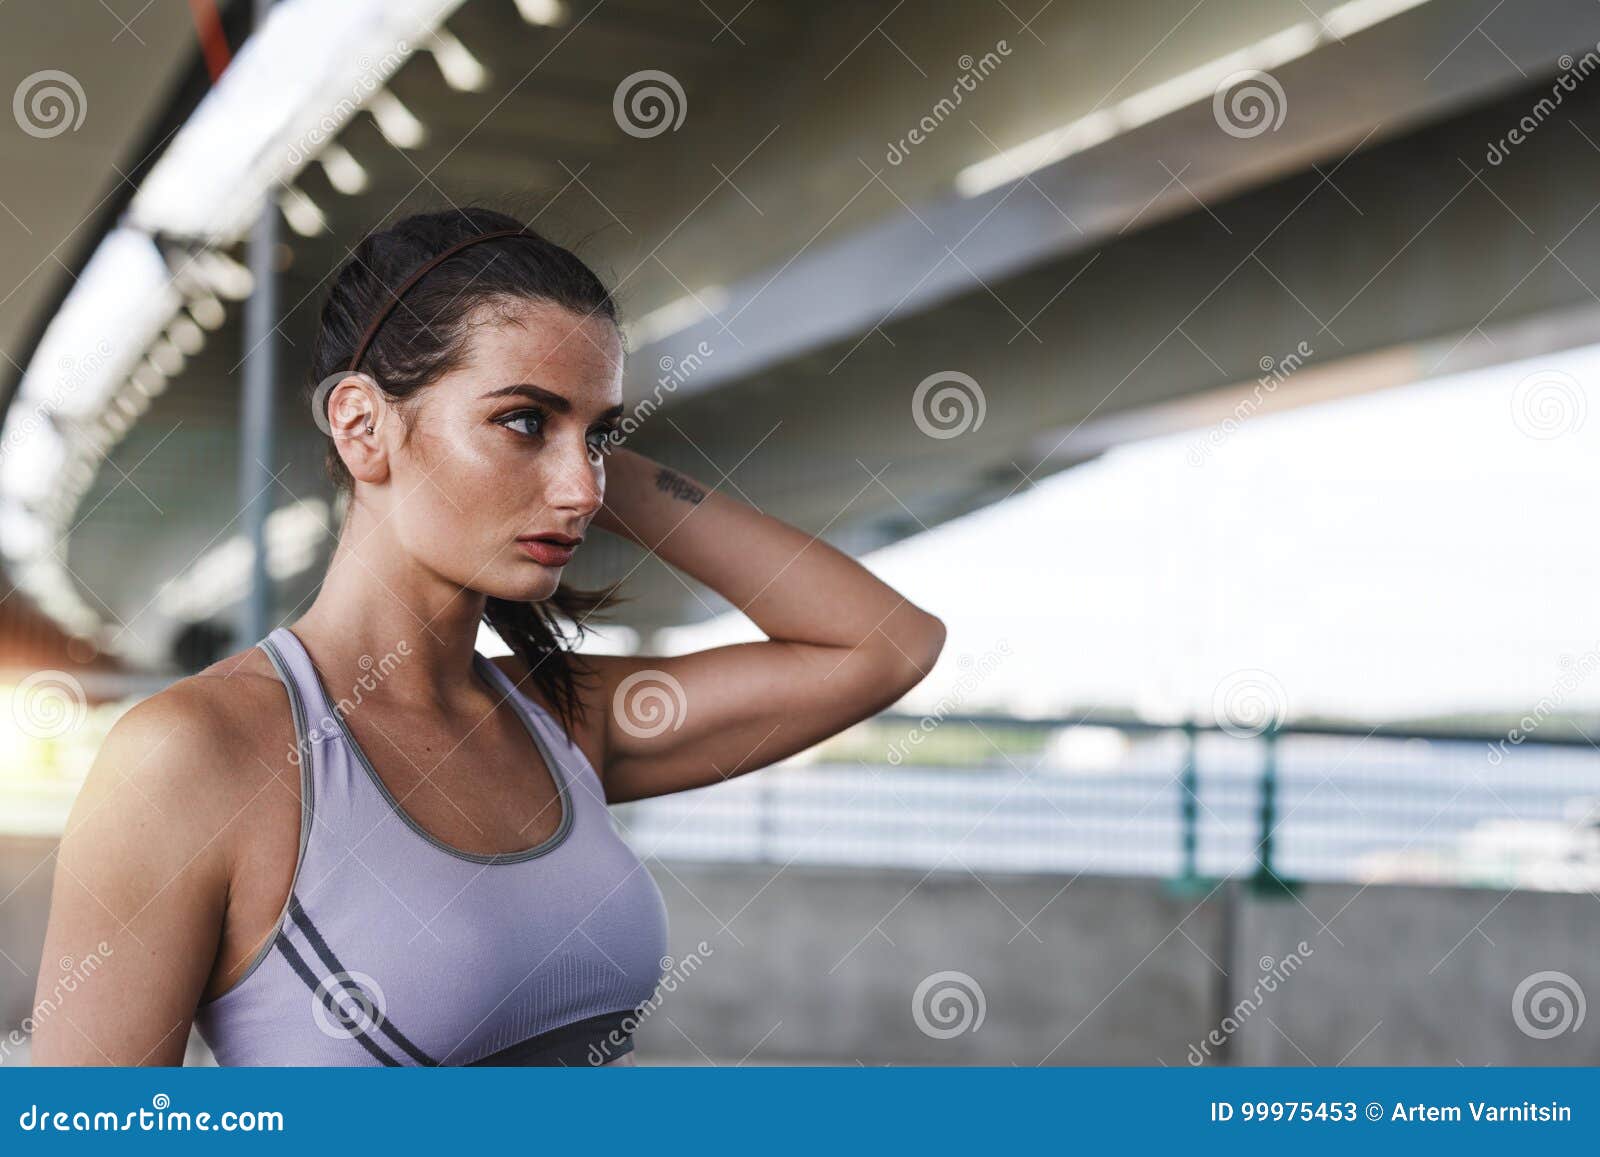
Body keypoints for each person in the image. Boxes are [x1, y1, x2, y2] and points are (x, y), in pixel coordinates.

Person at [30, 207, 945, 1066]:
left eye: (599, 433)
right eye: (521, 419)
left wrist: (582, 453)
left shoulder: (563, 718)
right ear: (359, 423)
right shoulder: (196, 755)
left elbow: (885, 643)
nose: (582, 491)